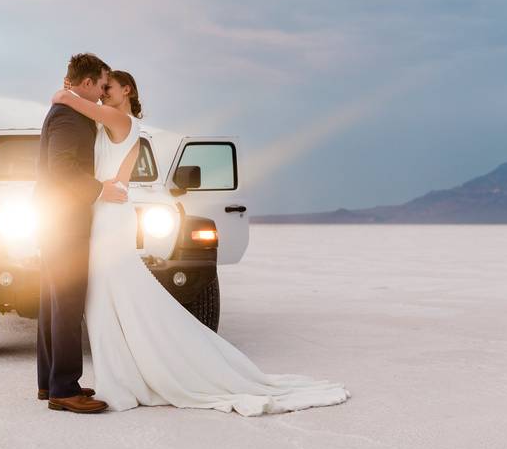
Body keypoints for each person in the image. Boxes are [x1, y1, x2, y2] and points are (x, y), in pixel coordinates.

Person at [49, 70, 351, 416]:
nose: (102, 94)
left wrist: (67, 91)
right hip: (106, 209)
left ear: (126, 90)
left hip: (109, 210)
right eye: (100, 88)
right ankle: (121, 373)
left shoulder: (119, 118)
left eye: (108, 88)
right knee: (109, 300)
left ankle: (124, 377)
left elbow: (68, 102)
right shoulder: (115, 121)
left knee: (112, 297)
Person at [33, 53, 128, 414]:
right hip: (64, 222)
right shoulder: (70, 116)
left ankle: (49, 382)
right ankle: (64, 389)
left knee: (53, 304)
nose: (104, 91)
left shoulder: (68, 112)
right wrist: (100, 190)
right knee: (68, 305)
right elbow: (62, 169)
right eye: (102, 85)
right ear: (86, 83)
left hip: (53, 219)